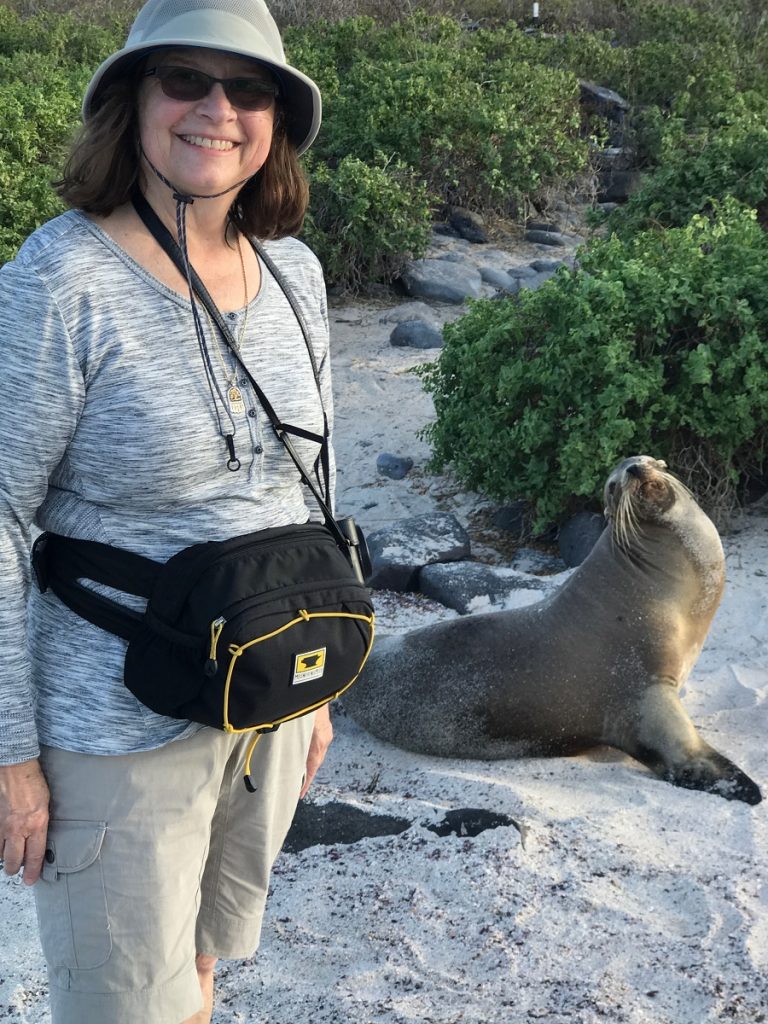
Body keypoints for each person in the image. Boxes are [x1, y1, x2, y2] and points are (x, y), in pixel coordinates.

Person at [0, 1, 334, 1021]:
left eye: (246, 88)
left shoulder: (296, 273)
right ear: (134, 103)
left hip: (265, 697)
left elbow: (310, 487)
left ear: (275, 117)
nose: (216, 109)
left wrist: (315, 686)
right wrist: (10, 750)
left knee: (200, 970)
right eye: (183, 80)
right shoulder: (59, 283)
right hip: (115, 728)